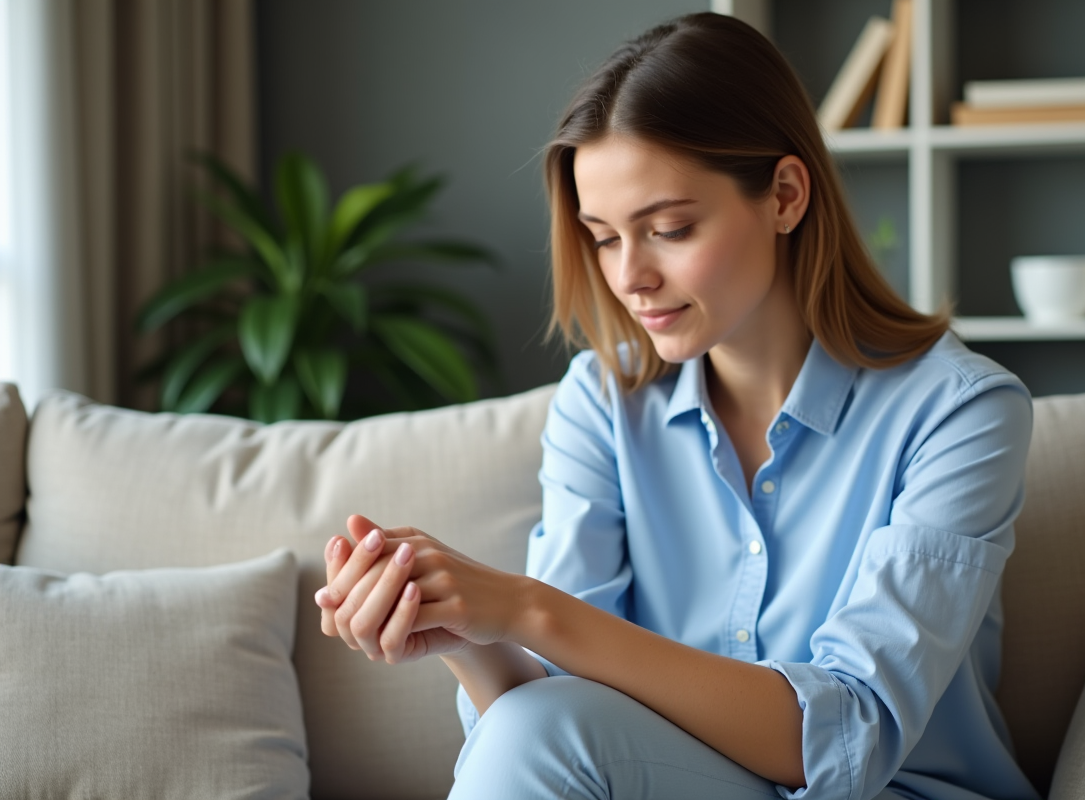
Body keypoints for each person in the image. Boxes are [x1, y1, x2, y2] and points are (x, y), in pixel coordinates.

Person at [313, 12, 1040, 800]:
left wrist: (527, 608)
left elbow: (845, 738)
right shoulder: (602, 403)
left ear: (786, 196)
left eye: (669, 228)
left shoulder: (961, 413)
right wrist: (461, 633)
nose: (630, 277)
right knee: (531, 727)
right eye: (603, 237)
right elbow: (545, 719)